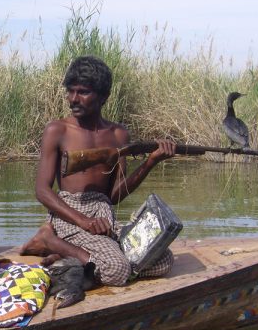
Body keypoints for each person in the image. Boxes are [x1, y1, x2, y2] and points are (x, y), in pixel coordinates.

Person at [21, 56, 176, 286]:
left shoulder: (118, 135)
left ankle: (74, 256)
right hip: (69, 213)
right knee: (117, 269)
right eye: (70, 91)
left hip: (103, 214)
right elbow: (42, 191)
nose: (74, 99)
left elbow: (114, 196)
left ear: (103, 97)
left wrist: (150, 162)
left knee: (162, 259)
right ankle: (51, 241)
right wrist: (83, 221)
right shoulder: (58, 130)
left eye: (83, 92)